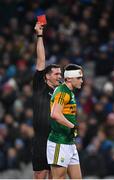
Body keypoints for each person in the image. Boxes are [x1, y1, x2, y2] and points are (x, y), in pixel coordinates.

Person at [32, 23, 62, 179]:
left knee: (55, 175)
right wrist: (40, 35)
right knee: (40, 174)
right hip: (41, 139)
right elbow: (41, 59)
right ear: (47, 76)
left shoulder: (61, 92)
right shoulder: (39, 87)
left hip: (56, 138)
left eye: (60, 74)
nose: (59, 76)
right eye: (56, 73)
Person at [47, 64, 83, 179]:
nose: (81, 81)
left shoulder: (69, 92)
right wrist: (72, 126)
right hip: (59, 142)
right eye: (79, 78)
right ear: (69, 79)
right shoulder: (63, 92)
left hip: (69, 142)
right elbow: (55, 113)